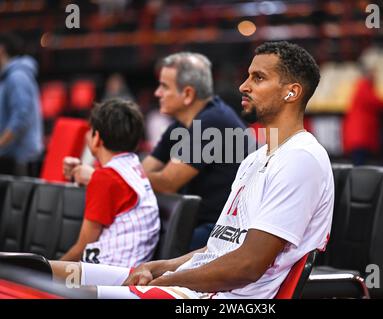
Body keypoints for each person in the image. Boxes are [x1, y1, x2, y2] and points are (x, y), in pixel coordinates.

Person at [51, 41, 334, 299]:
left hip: (229, 298)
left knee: (71, 295)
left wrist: (170, 280)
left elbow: (247, 266)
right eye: (248, 76)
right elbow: (219, 247)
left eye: (258, 78)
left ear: (292, 92)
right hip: (202, 283)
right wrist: (161, 267)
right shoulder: (255, 158)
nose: (243, 86)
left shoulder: (301, 158)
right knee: (48, 273)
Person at [63, 52, 253, 250]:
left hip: (222, 231)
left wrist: (97, 176)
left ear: (187, 94)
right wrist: (101, 175)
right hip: (197, 223)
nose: (157, 93)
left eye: (164, 86)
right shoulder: (183, 124)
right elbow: (139, 170)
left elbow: (167, 182)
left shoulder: (213, 122)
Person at [60, 98, 160, 268]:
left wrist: (47, 269)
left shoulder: (105, 179)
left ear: (97, 138)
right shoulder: (133, 164)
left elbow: (81, 248)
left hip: (111, 274)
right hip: (130, 268)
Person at [0, 33, 43, 176]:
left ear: (2, 49)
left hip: (20, 159)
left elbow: (21, 119)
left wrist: (1, 143)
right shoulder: (9, 76)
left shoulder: (17, 76)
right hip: (12, 157)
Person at [342, 65, 383, 166]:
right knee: (359, 166)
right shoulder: (364, 87)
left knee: (360, 164)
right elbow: (375, 102)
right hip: (360, 135)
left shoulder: (362, 87)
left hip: (358, 135)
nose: (375, 76)